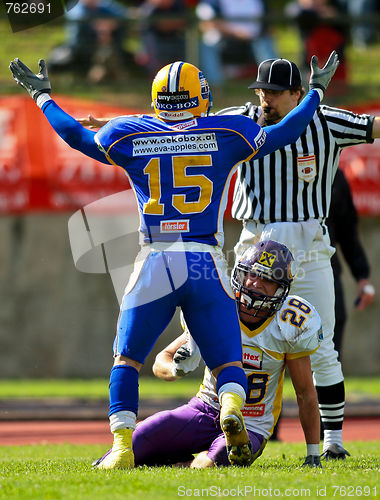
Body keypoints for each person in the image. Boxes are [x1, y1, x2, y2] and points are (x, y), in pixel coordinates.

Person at [9, 53, 338, 469]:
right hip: (203, 258)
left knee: (126, 358)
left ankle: (123, 446)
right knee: (227, 359)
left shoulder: (128, 133)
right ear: (201, 96)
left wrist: (42, 97)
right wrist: (315, 92)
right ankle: (231, 408)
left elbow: (75, 135)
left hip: (156, 259)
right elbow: (287, 131)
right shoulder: (228, 131)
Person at [227, 56, 380, 459]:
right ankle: (225, 424)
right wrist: (104, 127)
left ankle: (333, 443)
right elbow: (179, 127)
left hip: (309, 249)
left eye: (275, 92)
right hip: (254, 245)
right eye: (261, 90)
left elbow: (374, 127)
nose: (265, 99)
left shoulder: (325, 120)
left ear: (299, 93)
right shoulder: (242, 118)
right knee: (235, 341)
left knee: (322, 345)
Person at [93, 240, 323, 468]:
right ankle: (176, 460)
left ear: (281, 289)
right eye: (251, 274)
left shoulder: (290, 323)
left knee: (209, 463)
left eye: (267, 280)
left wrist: (313, 454)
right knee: (138, 443)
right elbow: (160, 361)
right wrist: (176, 368)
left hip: (251, 423)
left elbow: (305, 393)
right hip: (204, 409)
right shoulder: (220, 307)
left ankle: (190, 459)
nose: (254, 283)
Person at [327, 168, 375, 358]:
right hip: (281, 270)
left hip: (326, 268)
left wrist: (362, 276)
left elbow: (347, 231)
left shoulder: (333, 174)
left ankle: (324, 389)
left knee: (330, 347)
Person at [196, 0, 278, 86]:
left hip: (255, 40)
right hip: (224, 40)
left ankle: (274, 83)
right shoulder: (212, 2)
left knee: (265, 43)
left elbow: (268, 25)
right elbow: (206, 24)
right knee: (208, 45)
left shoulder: (260, 2)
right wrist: (236, 33)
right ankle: (214, 86)